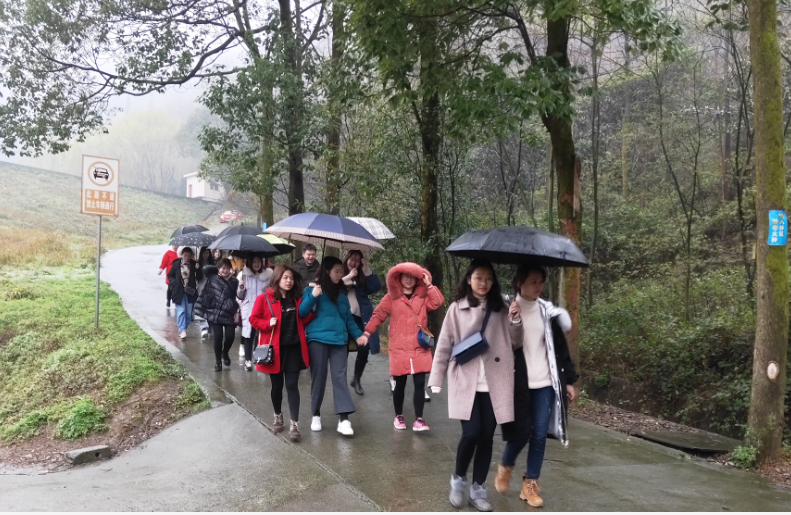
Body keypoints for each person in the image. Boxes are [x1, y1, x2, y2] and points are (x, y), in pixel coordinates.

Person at [428, 258, 523, 512]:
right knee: (471, 433)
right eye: (479, 278)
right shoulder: (456, 309)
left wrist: (515, 320)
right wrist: (436, 378)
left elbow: (515, 343)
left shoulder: (502, 308)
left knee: (486, 438)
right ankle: (458, 480)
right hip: (466, 380)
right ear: (469, 279)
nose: (484, 283)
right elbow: (444, 344)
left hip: (495, 382)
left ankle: (478, 489)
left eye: (489, 279)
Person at [494, 265, 578, 508]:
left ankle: (530, 484)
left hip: (545, 383)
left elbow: (560, 350)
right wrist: (512, 318)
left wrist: (569, 381)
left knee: (539, 434)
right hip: (518, 383)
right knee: (521, 433)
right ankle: (506, 465)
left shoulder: (548, 312)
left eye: (541, 281)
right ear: (520, 283)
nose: (538, 286)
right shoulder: (505, 308)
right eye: (533, 281)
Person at [360, 262, 444, 431]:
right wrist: (367, 333)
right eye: (405, 276)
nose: (408, 280)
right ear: (398, 278)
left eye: (412, 276)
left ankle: (419, 419)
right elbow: (378, 316)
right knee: (400, 384)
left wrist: (429, 285)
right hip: (399, 348)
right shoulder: (391, 298)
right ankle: (398, 415)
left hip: (420, 347)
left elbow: (438, 302)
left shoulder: (423, 297)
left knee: (420, 383)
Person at [299, 256, 367, 437]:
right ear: (326, 271)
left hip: (339, 341)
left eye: (341, 271)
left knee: (340, 378)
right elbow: (302, 312)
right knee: (318, 378)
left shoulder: (342, 294)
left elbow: (348, 319)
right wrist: (313, 296)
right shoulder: (312, 290)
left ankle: (344, 419)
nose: (340, 274)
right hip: (317, 339)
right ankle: (315, 414)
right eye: (337, 271)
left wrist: (359, 336)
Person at [249, 265, 314, 442]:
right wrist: (267, 324)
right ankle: (277, 415)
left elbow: (304, 320)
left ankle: (295, 424)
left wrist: (313, 307)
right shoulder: (265, 298)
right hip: (275, 351)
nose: (289, 281)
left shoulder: (297, 299)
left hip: (293, 349)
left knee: (292, 385)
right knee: (277, 386)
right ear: (277, 278)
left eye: (291, 278)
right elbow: (253, 319)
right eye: (285, 277)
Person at [342, 250, 383, 396]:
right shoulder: (340, 273)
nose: (354, 263)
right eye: (352, 259)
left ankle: (356, 380)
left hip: (360, 317)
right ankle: (341, 383)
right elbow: (334, 287)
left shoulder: (362, 276)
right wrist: (348, 278)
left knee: (364, 348)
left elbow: (376, 286)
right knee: (343, 350)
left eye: (358, 260)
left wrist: (367, 270)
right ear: (347, 259)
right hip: (343, 318)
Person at [195, 258, 240, 371]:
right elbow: (205, 269)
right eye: (222, 268)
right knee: (218, 336)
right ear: (219, 268)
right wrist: (216, 269)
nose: (225, 270)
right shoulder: (212, 277)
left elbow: (237, 296)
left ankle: (225, 353)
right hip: (214, 312)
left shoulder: (234, 281)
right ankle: (218, 361)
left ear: (230, 269)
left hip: (228, 312)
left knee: (230, 336)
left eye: (227, 268)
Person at [237, 255, 273, 370]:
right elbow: (239, 296)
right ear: (250, 263)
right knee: (249, 334)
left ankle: (258, 357)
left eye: (258, 261)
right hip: (248, 308)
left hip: (262, 308)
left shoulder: (268, 276)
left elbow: (271, 293)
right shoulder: (244, 275)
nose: (256, 264)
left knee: (260, 334)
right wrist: (241, 287)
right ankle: (248, 360)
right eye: (254, 262)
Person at [167, 247, 202, 339]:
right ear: (181, 255)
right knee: (181, 310)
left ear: (191, 256)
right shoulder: (176, 264)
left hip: (190, 292)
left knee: (188, 314)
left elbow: (199, 277)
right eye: (185, 255)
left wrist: (198, 269)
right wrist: (175, 283)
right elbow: (170, 275)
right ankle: (182, 330)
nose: (186, 257)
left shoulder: (193, 264)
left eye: (189, 256)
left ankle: (183, 329)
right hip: (179, 292)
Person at [195, 247, 216, 339]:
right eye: (204, 253)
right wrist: (196, 269)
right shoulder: (197, 264)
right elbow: (196, 277)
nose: (206, 255)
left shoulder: (213, 264)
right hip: (201, 288)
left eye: (207, 253)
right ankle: (204, 328)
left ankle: (209, 328)